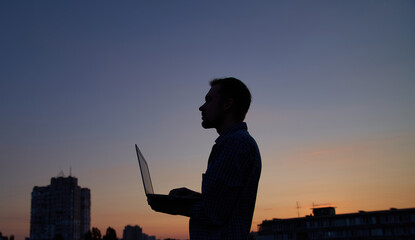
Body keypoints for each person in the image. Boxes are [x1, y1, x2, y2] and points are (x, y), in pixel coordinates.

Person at [148, 77, 262, 240]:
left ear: (227, 104)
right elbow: (223, 203)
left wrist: (171, 205)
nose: (202, 107)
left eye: (208, 100)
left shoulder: (235, 143)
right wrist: (194, 196)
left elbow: (214, 214)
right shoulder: (234, 142)